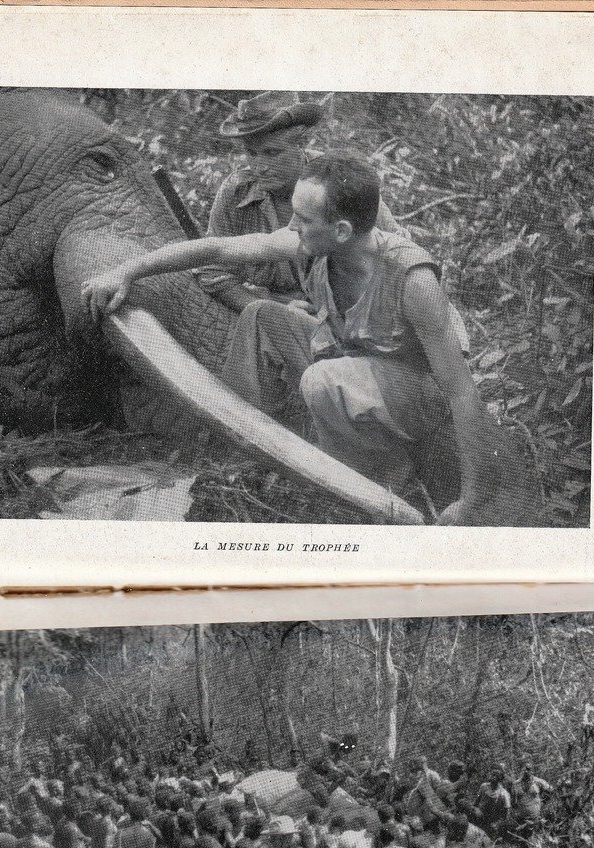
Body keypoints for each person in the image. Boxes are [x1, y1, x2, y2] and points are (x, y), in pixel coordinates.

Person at [83, 153, 532, 525]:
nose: (291, 228)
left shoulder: (413, 281)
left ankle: (364, 490)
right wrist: (128, 270)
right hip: (355, 362)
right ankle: (245, 449)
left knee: (323, 380)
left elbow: (462, 394)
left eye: (303, 219)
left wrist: (471, 499)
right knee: (263, 317)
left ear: (341, 231)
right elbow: (217, 250)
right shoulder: (312, 246)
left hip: (420, 398)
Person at [196, 92, 407, 313]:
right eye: (251, 153)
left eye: (272, 153)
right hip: (269, 317)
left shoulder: (340, 182)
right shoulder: (237, 192)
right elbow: (212, 271)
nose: (260, 166)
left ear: (300, 144)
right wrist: (269, 309)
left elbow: (401, 259)